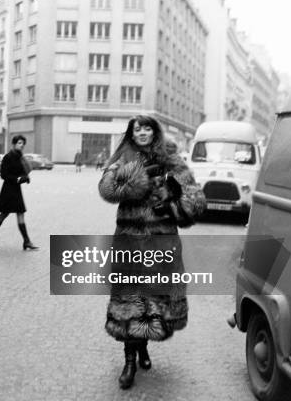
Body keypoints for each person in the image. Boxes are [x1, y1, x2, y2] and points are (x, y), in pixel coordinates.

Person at [98, 115, 205, 389]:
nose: (142, 132)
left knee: (153, 300)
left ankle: (143, 345)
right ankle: (129, 359)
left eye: (147, 128)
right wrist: (137, 179)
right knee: (129, 299)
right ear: (131, 133)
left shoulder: (169, 156)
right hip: (130, 240)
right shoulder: (123, 157)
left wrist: (171, 204)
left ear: (154, 131)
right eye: (137, 128)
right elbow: (108, 190)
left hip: (160, 240)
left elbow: (194, 198)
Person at [0, 135, 38, 250]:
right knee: (4, 214)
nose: (21, 145)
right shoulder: (8, 157)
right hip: (8, 190)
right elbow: (3, 175)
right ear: (13, 144)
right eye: (19, 143)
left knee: (20, 213)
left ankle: (26, 241)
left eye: (23, 143)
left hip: (16, 190)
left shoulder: (21, 157)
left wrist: (24, 178)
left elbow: (24, 171)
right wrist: (17, 179)